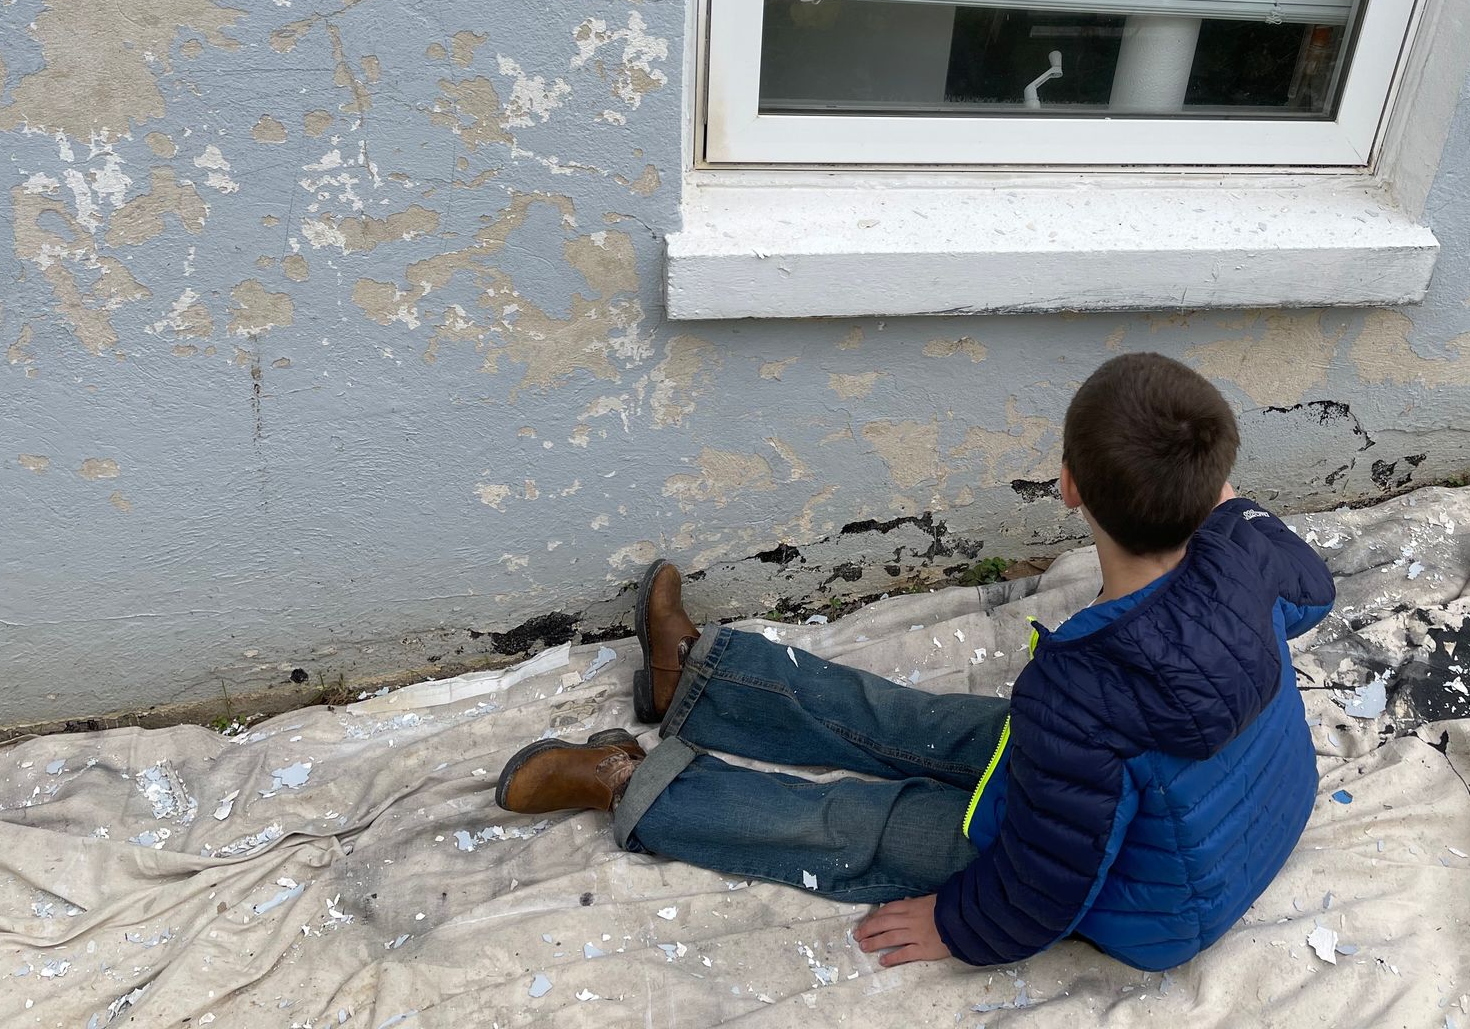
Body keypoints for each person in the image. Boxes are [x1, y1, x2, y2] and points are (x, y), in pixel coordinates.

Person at [493, 351, 1335, 972]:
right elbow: (1315, 586)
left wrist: (962, 928)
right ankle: (699, 677)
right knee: (926, 726)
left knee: (869, 825)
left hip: (1152, 899)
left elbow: (1050, 877)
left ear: (1069, 488)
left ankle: (635, 787)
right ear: (1221, 485)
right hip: (1219, 804)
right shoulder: (1248, 554)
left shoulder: (1077, 693)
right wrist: (1227, 509)